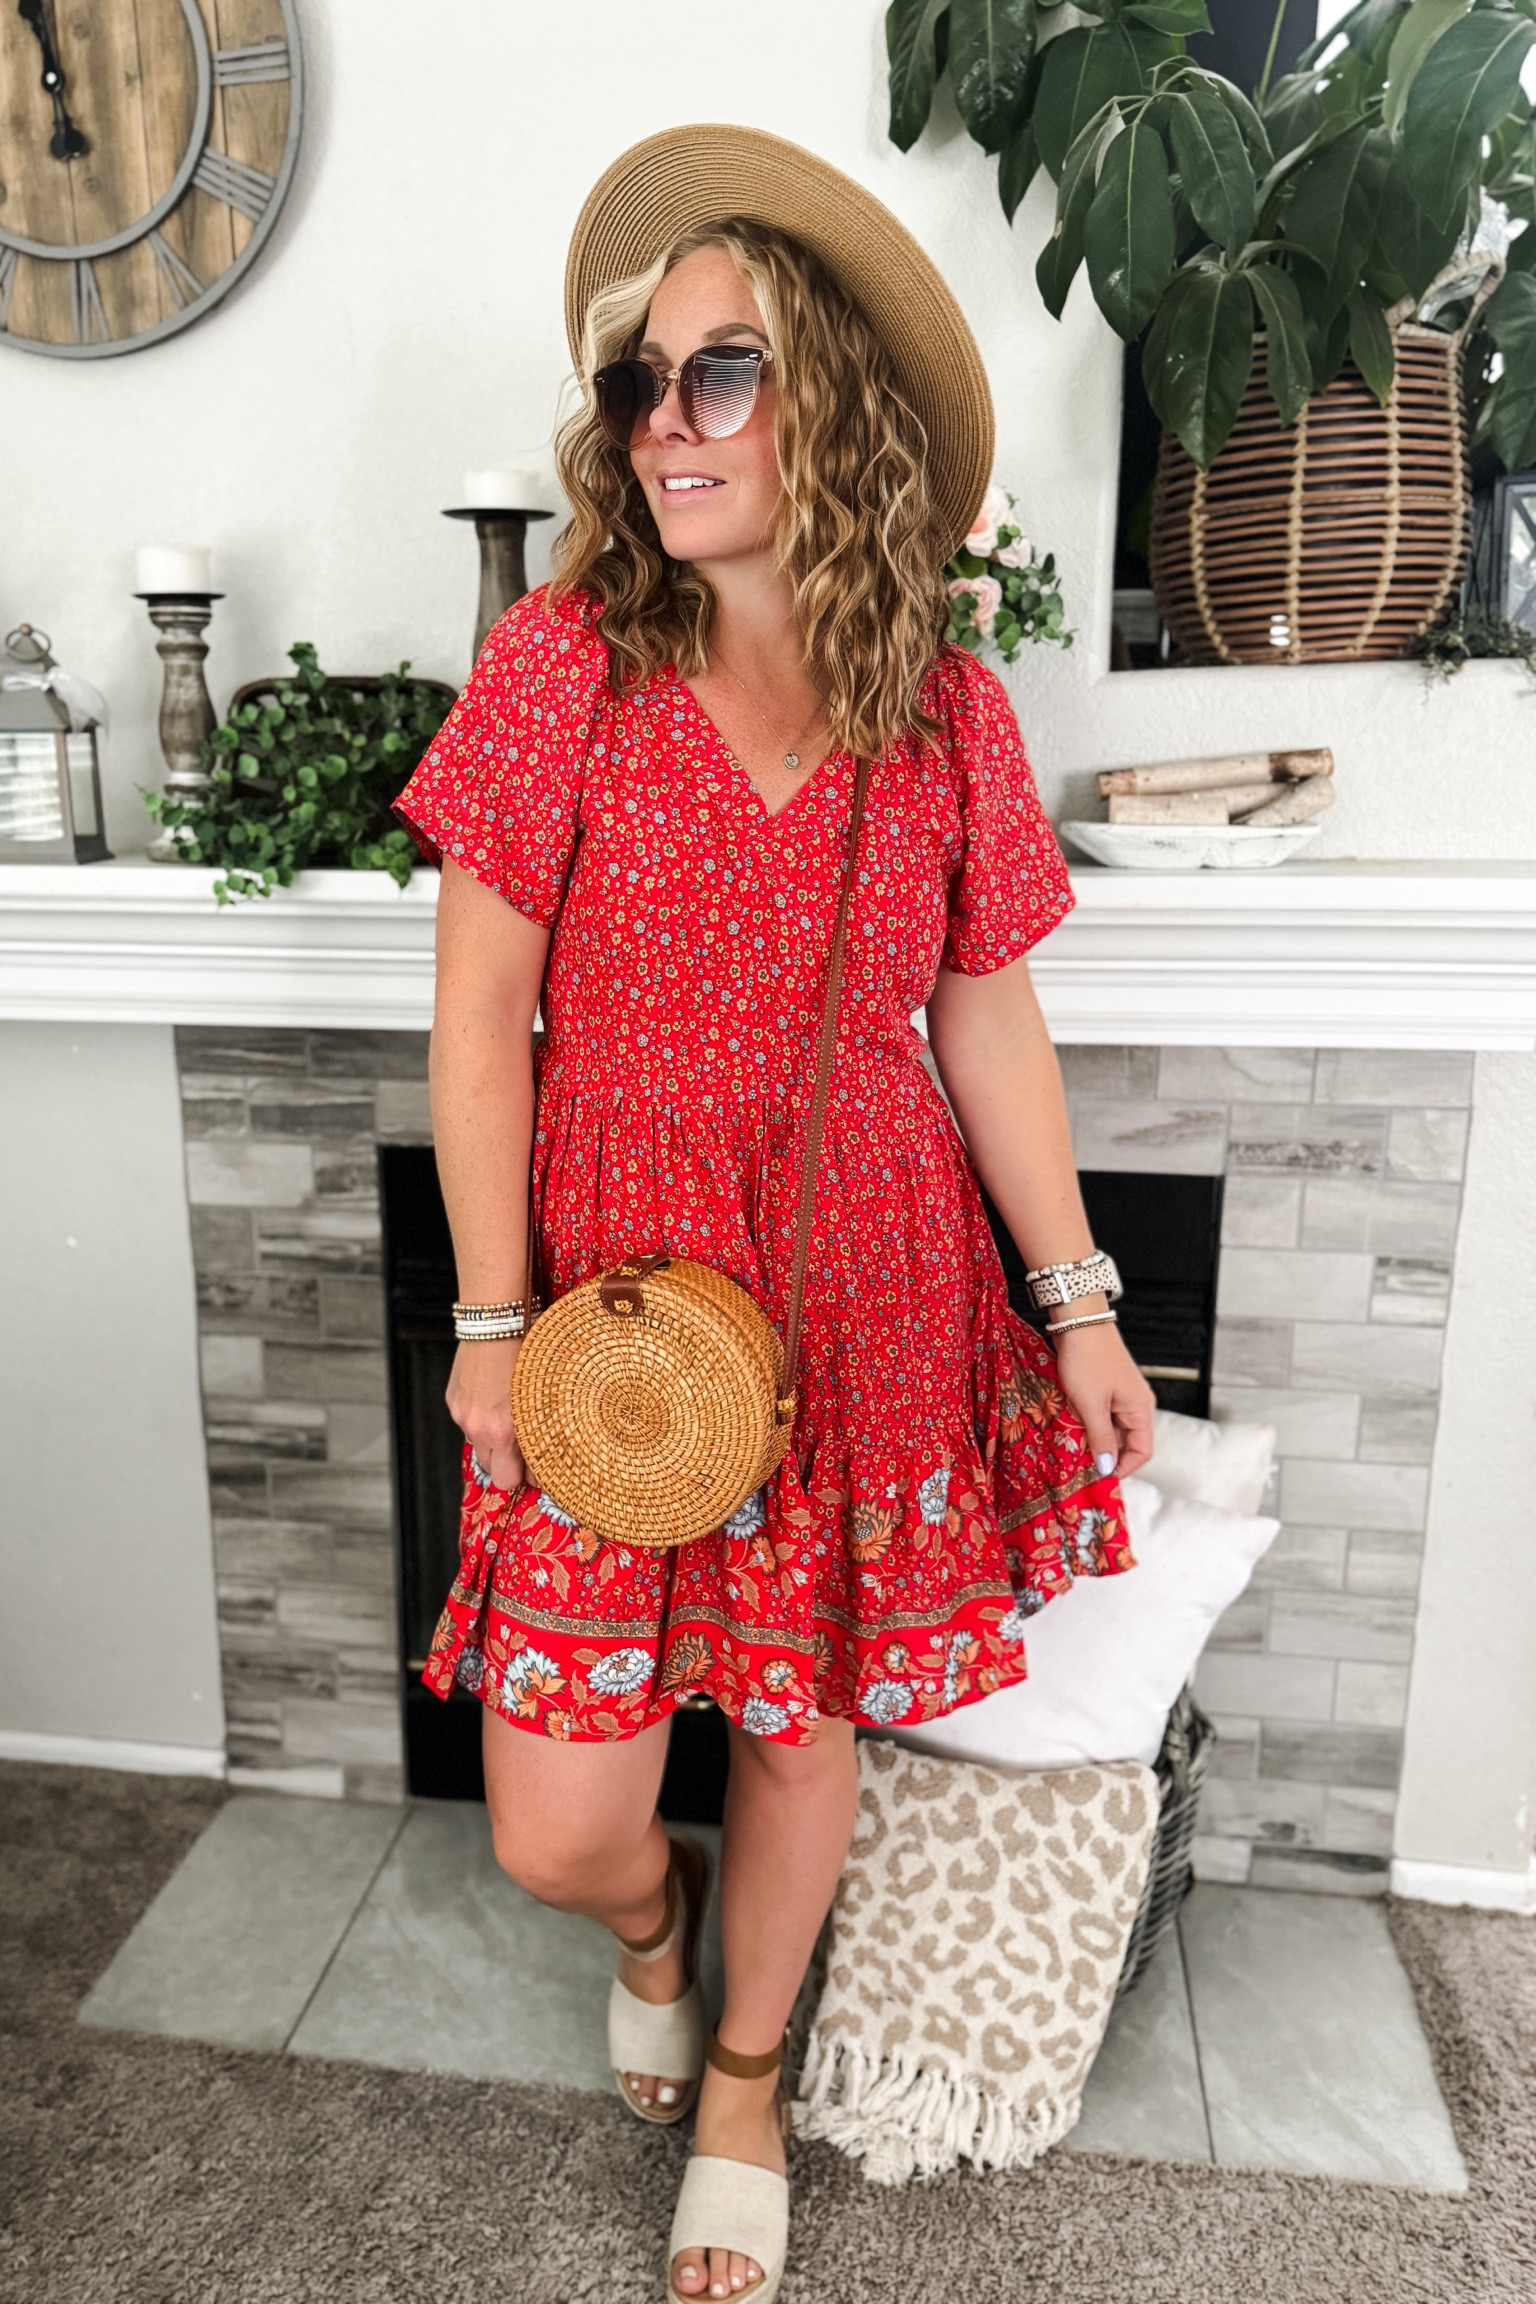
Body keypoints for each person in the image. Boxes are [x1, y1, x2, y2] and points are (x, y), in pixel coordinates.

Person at [396, 124, 1154, 2304]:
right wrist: (486, 1321)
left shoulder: (946, 716)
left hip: (869, 1287)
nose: (663, 422)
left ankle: (745, 2075)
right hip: (613, 1315)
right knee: (557, 1814)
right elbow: (477, 1035)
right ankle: (651, 1921)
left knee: (803, 1716)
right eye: (643, 383)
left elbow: (987, 1027)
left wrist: (1079, 1301)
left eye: (719, 373)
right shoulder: (559, 670)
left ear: (833, 400)